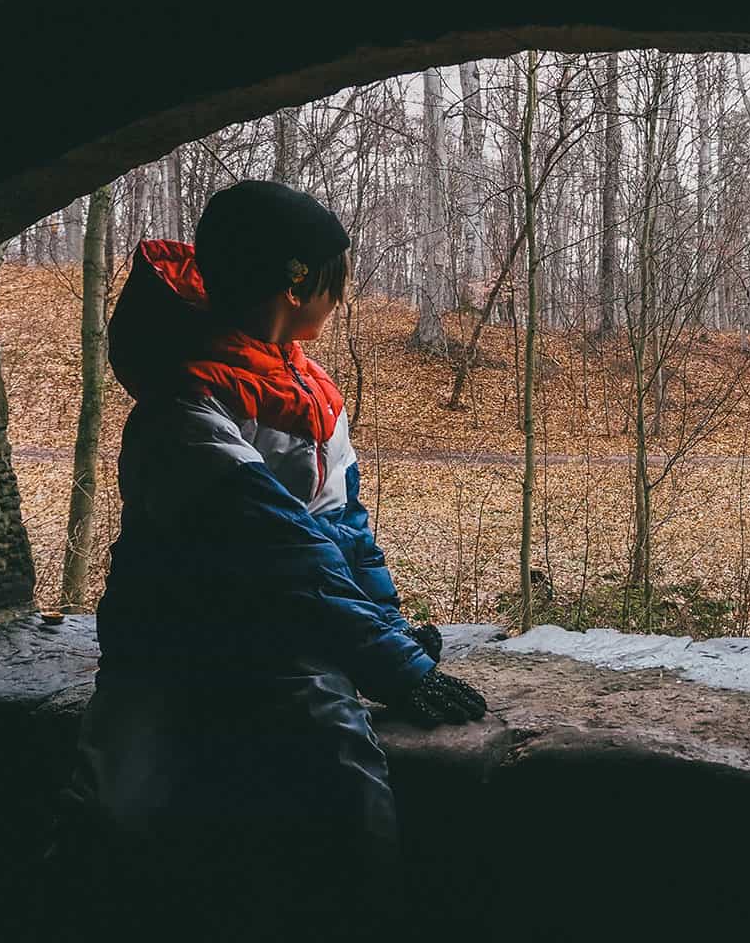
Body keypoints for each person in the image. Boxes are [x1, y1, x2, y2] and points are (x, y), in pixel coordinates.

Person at [53, 180, 486, 933]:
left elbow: (343, 527)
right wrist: (396, 665)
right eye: (335, 278)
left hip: (279, 635)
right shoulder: (185, 407)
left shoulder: (309, 388)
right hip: (172, 647)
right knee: (119, 813)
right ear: (296, 283)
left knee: (344, 782)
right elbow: (279, 549)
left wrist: (389, 627)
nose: (343, 296)